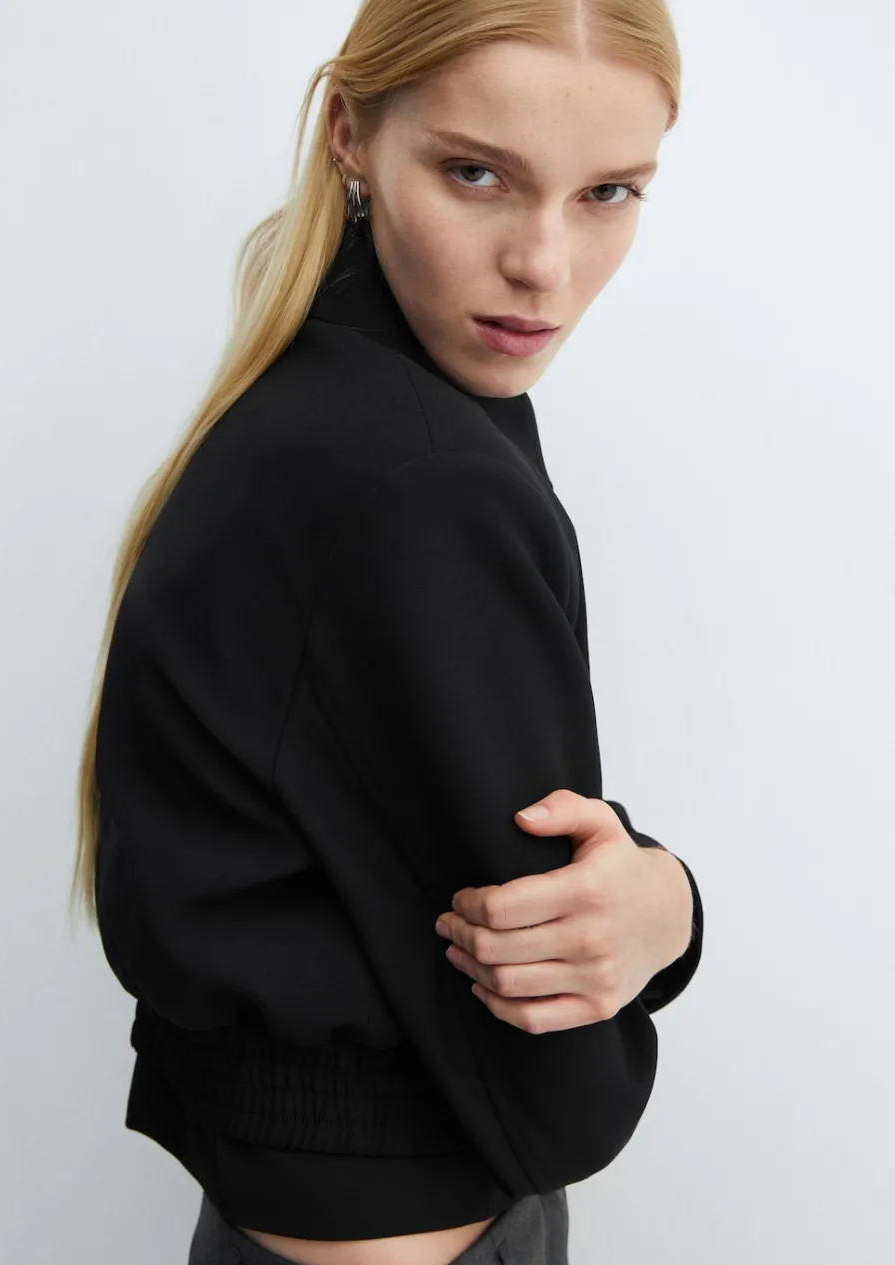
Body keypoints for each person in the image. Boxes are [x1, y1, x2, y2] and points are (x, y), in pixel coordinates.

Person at [70, 2, 704, 1263]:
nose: (543, 264)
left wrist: (656, 902)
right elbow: (556, 1063)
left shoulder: (328, 397)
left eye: (607, 193)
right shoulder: (414, 472)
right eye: (477, 174)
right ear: (350, 135)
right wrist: (671, 917)